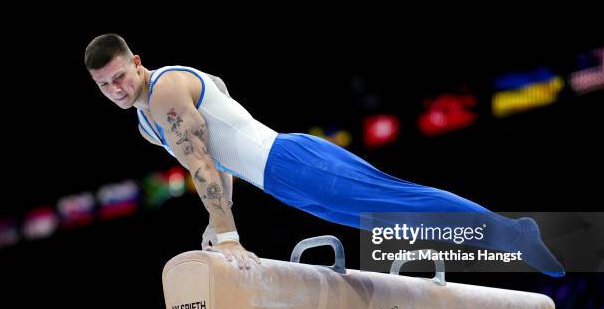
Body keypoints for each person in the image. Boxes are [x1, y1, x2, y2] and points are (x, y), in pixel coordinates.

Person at [84, 33, 564, 278]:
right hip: (284, 183)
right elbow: (214, 162)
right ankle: (504, 239)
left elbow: (203, 165)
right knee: (391, 220)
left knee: (403, 203)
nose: (116, 89)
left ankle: (515, 233)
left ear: (137, 62)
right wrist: (215, 224)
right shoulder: (147, 125)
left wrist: (229, 236)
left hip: (292, 162)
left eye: (120, 76)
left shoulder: (166, 90)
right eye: (104, 86)